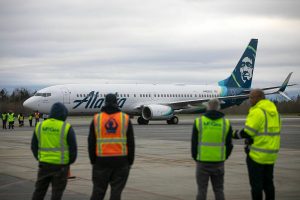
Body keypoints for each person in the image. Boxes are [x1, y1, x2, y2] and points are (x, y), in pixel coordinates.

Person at [233, 89, 281, 200]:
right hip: (271, 155)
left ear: (258, 97)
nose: (249, 100)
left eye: (251, 97)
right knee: (269, 184)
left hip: (257, 155)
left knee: (256, 185)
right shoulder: (275, 112)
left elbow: (248, 132)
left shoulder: (257, 111)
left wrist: (233, 134)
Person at [88, 93, 135, 200]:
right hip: (121, 161)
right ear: (116, 102)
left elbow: (91, 143)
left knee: (98, 192)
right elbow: (131, 143)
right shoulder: (125, 118)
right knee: (116, 192)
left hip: (101, 161)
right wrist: (130, 162)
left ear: (105, 102)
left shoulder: (97, 119)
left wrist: (93, 161)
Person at [31, 102, 77, 200]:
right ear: (63, 114)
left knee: (39, 192)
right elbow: (73, 149)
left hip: (44, 165)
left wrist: (39, 158)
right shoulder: (66, 127)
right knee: (57, 194)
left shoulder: (40, 126)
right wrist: (68, 163)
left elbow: (33, 146)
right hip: (60, 167)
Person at [191, 98, 233, 200]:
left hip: (202, 162)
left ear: (207, 107)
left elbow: (194, 143)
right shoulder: (226, 123)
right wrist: (224, 157)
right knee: (219, 190)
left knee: (202, 190)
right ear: (219, 107)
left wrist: (196, 157)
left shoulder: (199, 122)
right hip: (218, 162)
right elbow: (230, 144)